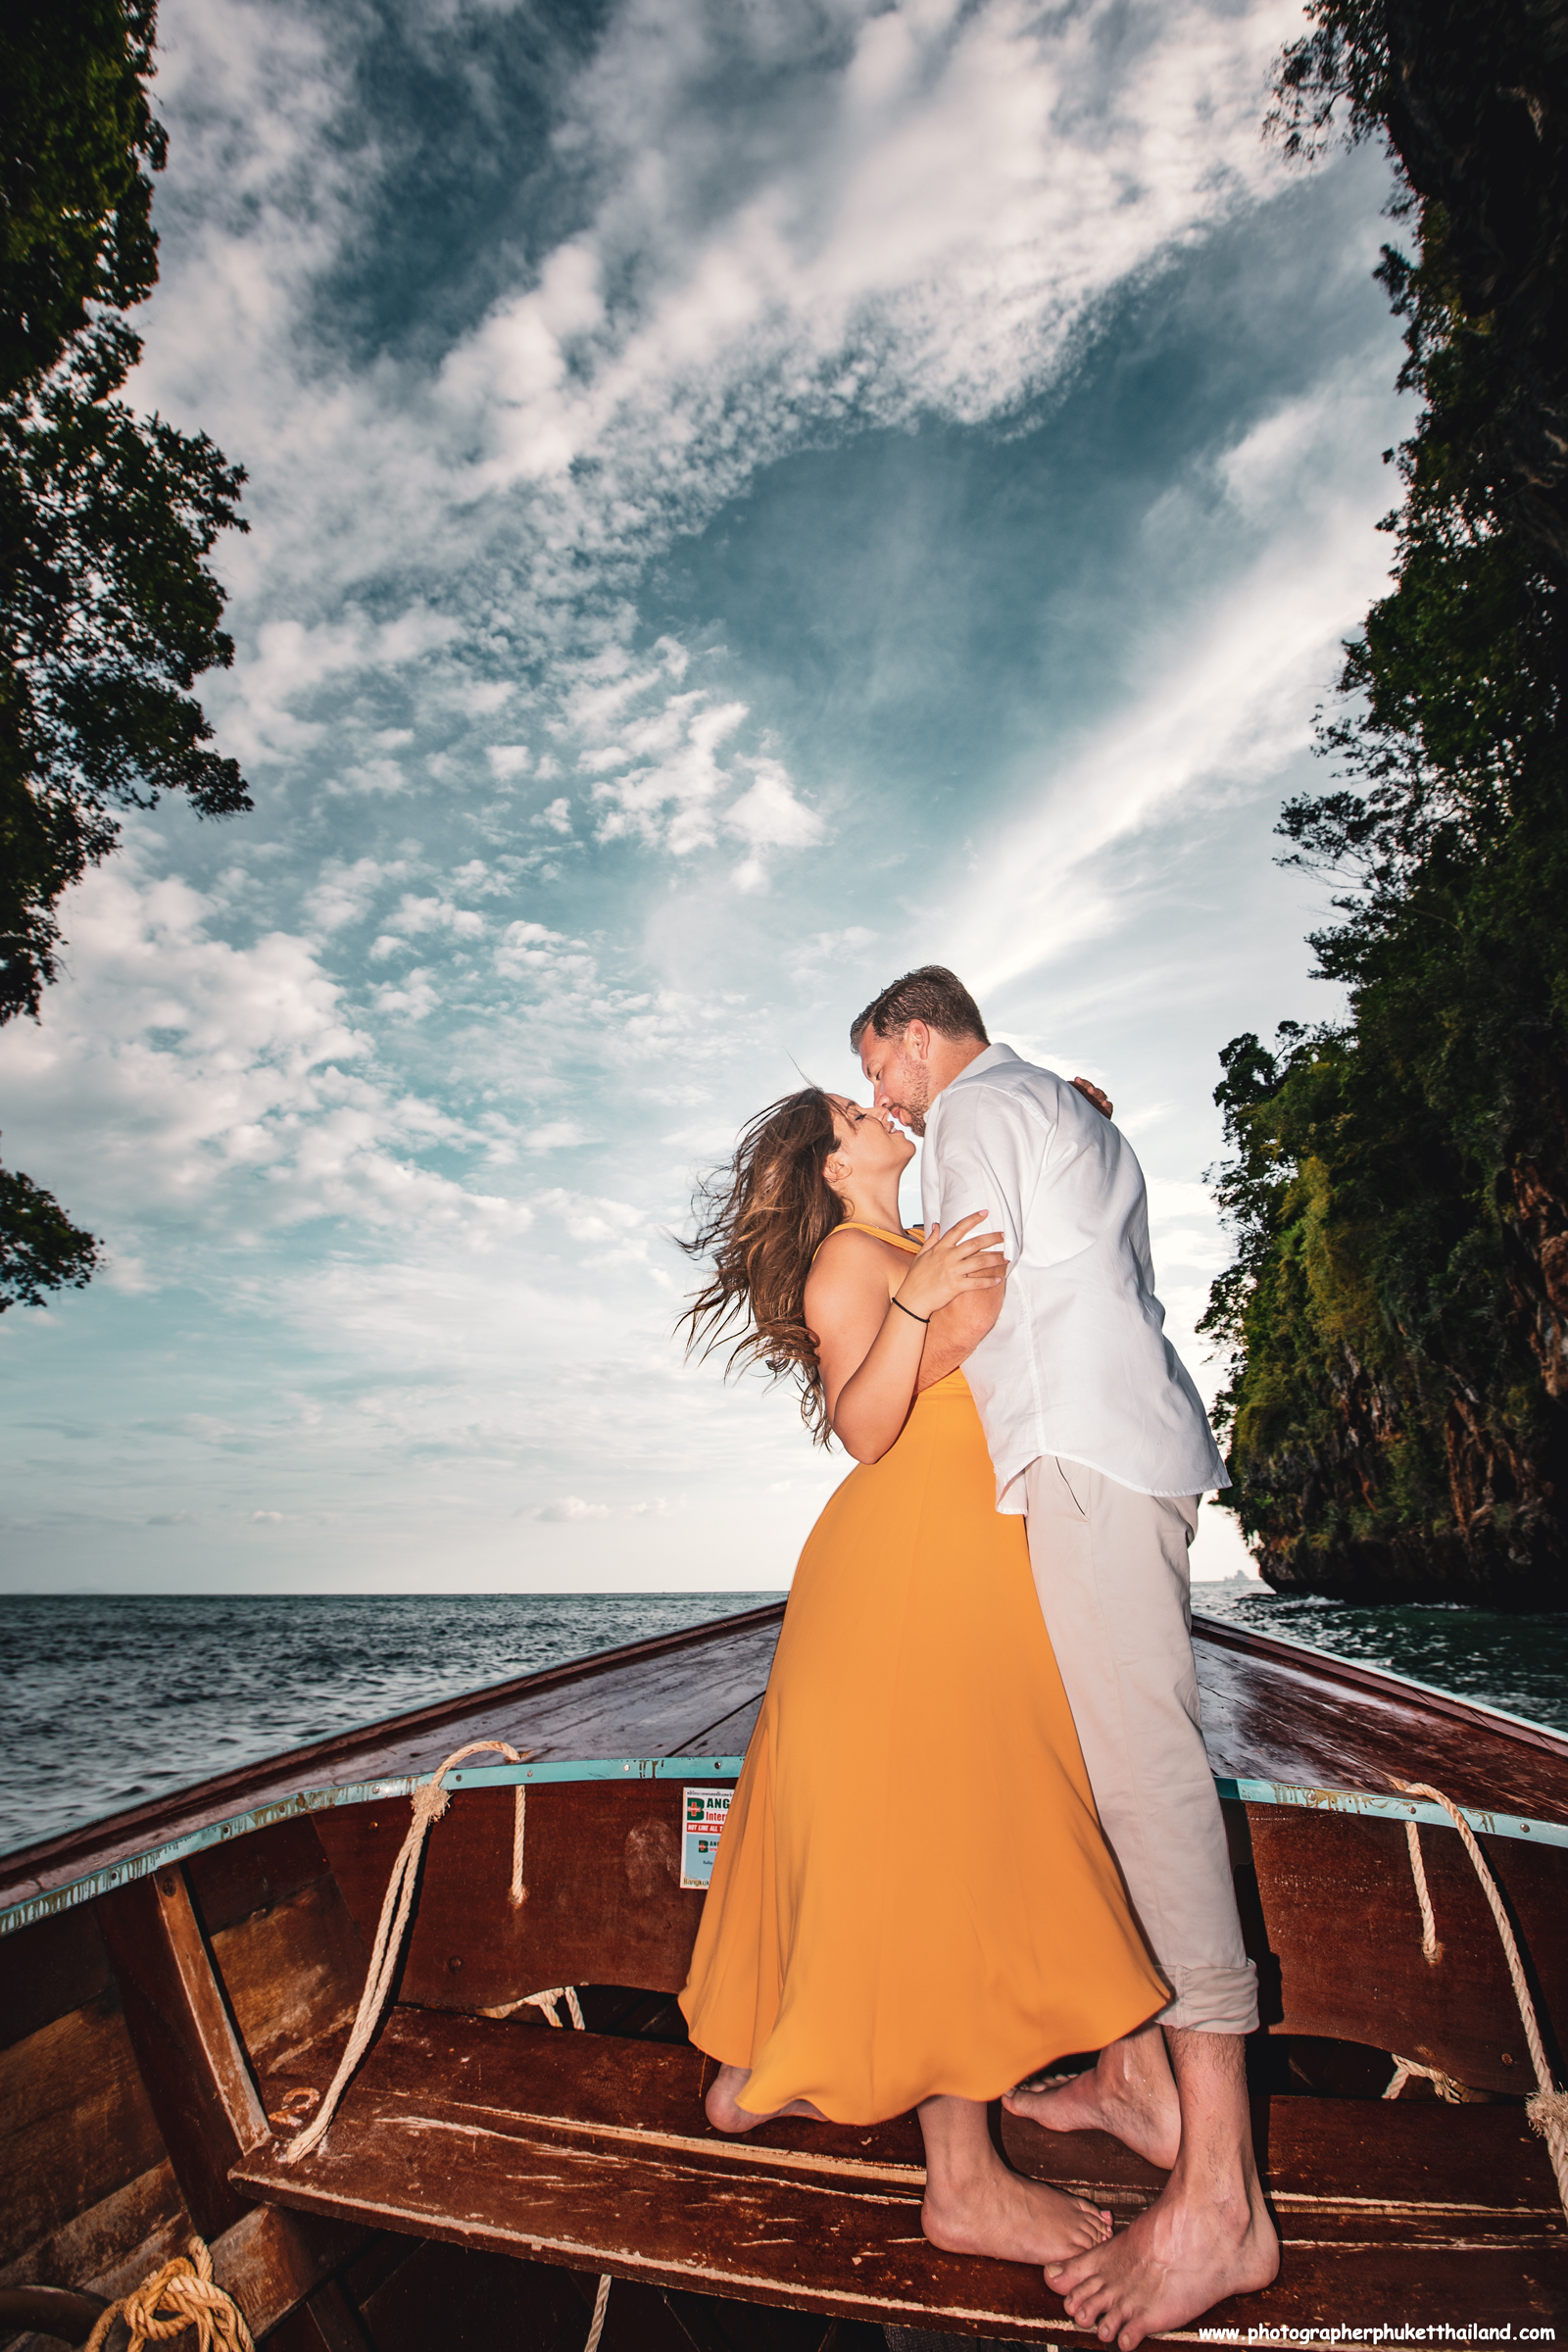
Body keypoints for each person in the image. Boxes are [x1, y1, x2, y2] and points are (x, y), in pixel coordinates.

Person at [853, 965, 1280, 2351]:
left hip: (1084, 1461)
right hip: (1126, 1449)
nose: (880, 1097)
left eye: (879, 1068)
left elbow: (963, 1292)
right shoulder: (1063, 1107)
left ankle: (1222, 2202)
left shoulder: (978, 1111)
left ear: (920, 1035)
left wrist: (864, 1383)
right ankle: (1131, 2078)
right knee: (1091, 1774)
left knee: (1146, 1785)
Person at [676, 1083, 1170, 2269]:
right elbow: (864, 1426)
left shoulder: (912, 1238)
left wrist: (1056, 1129)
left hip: (945, 1556)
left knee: (900, 1818)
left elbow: (992, 1323)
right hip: (908, 1562)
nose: (879, 1112)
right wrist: (919, 1298)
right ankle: (962, 2184)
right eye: (853, 1116)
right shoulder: (852, 1259)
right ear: (831, 1166)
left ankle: (755, 2073)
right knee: (939, 1830)